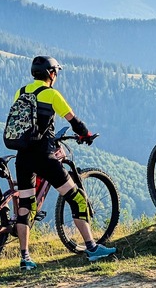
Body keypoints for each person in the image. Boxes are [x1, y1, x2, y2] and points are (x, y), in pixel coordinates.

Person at [12, 56, 116, 271]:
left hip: (22, 157)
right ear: (51, 74)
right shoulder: (51, 94)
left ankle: (25, 258)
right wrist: (86, 134)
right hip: (44, 157)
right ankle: (92, 248)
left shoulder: (21, 92)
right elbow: (74, 122)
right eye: (55, 72)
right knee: (76, 198)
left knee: (25, 207)